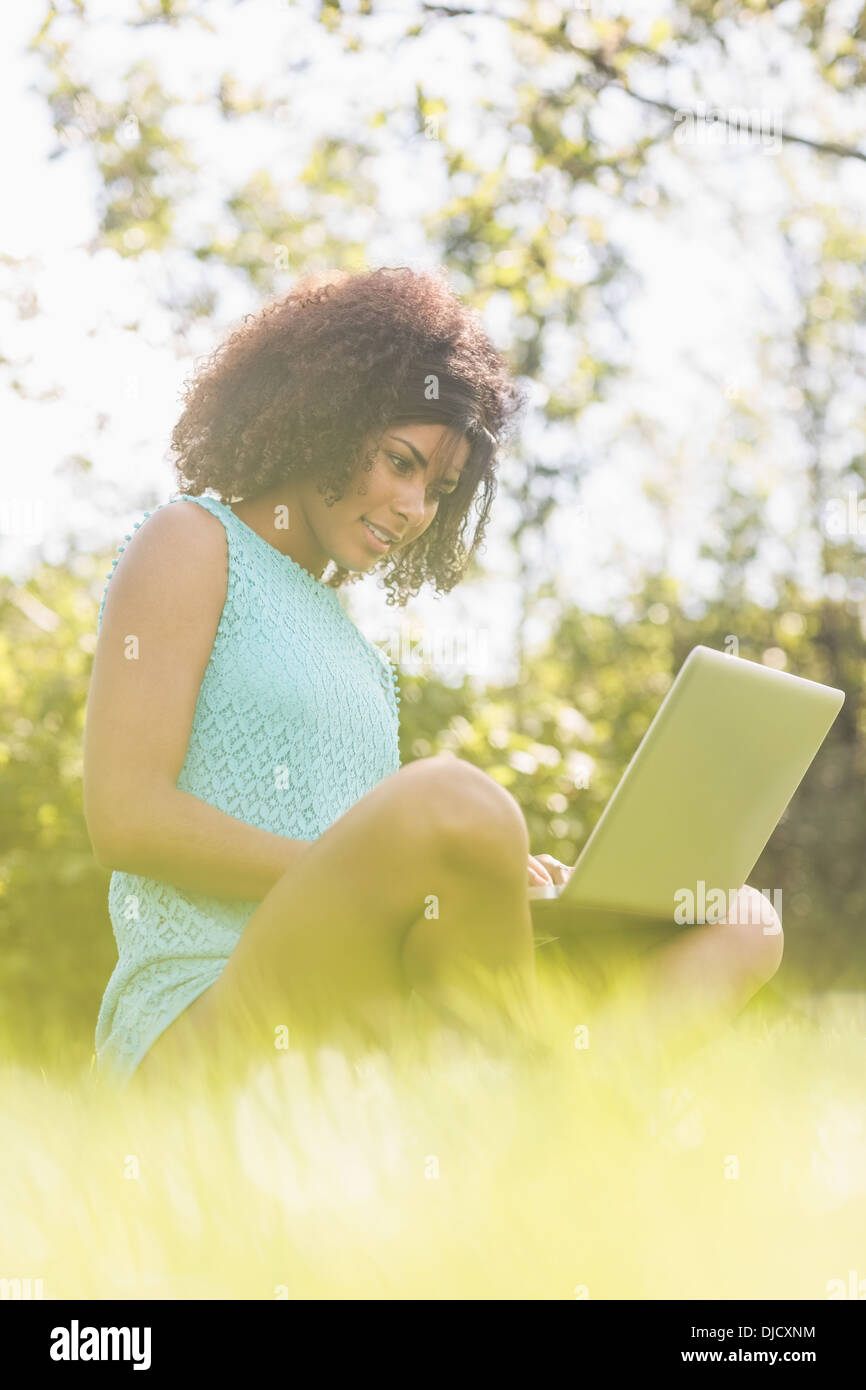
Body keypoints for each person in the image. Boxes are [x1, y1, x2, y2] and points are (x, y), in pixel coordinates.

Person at [82, 265, 782, 1094]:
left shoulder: (359, 655)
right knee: (456, 799)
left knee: (741, 917)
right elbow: (126, 818)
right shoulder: (191, 540)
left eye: (440, 489)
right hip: (200, 1015)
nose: (415, 507)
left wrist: (497, 881)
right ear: (322, 420)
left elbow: (382, 872)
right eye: (399, 461)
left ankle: (555, 1115)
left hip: (362, 1009)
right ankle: (530, 1113)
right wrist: (377, 865)